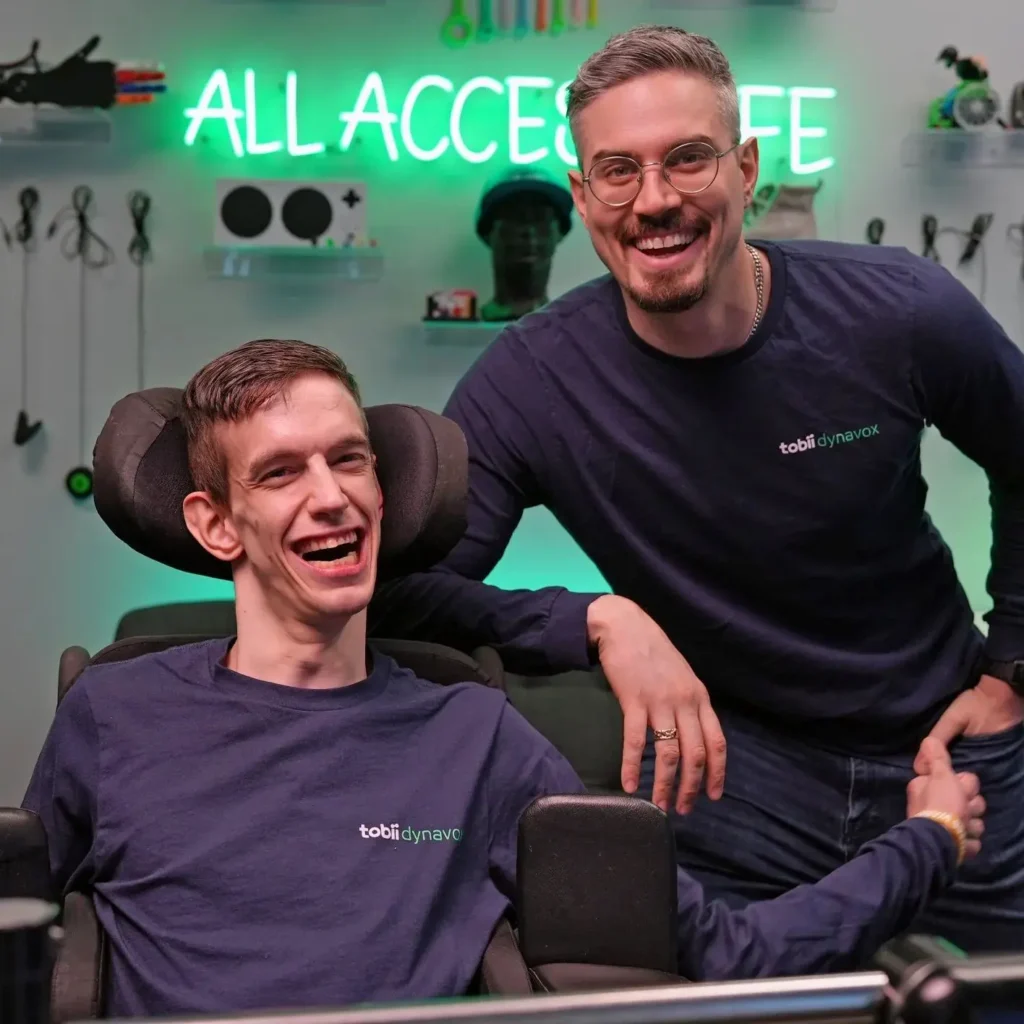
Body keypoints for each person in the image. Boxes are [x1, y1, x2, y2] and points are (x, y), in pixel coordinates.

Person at [22, 340, 986, 1017]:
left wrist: (927, 840)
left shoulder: (475, 739)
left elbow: (726, 954)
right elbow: (19, 935)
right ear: (216, 524)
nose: (333, 494)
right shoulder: (116, 712)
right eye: (281, 473)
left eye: (350, 457)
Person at [369, 25, 1024, 953]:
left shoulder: (898, 311)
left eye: (687, 159)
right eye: (618, 172)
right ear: (583, 196)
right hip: (730, 780)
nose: (655, 201)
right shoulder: (530, 382)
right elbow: (395, 592)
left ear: (746, 168)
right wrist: (597, 619)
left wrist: (1014, 667)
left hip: (949, 750)